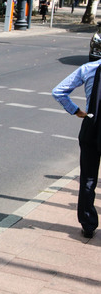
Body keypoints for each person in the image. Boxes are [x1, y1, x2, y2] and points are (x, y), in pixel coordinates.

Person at [53, 59, 101, 239]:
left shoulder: (88, 69)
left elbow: (58, 92)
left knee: (88, 178)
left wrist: (75, 110)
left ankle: (88, 225)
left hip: (91, 125)